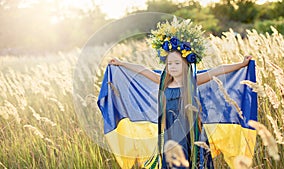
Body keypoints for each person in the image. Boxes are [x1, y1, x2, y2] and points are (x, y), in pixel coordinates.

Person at [103, 18, 255, 169]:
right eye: (169, 64)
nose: (173, 67)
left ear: (186, 64)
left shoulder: (192, 81)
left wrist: (241, 64)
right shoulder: (164, 82)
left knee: (190, 162)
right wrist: (121, 63)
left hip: (190, 132)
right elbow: (143, 70)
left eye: (177, 63)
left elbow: (218, 70)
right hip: (170, 132)